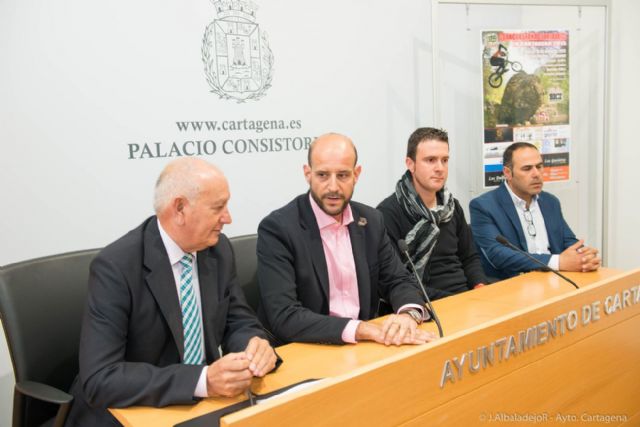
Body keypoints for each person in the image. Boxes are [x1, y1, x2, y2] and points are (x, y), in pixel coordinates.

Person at [66, 158, 278, 426]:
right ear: (179, 208)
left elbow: (238, 320)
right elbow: (101, 378)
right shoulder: (116, 267)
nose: (228, 218)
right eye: (218, 207)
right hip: (129, 411)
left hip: (203, 408)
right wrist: (203, 381)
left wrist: (253, 345)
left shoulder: (217, 250)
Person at [256, 133, 437, 346]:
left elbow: (397, 279)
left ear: (356, 174)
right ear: (308, 174)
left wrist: (408, 315)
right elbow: (284, 316)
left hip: (364, 346)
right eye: (323, 175)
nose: (333, 187)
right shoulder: (278, 228)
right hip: (306, 347)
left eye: (342, 175)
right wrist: (360, 329)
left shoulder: (371, 220)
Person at [377, 127, 486, 300]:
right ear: (410, 164)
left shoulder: (452, 206)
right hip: (426, 304)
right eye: (430, 160)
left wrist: (480, 286)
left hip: (466, 298)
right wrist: (456, 301)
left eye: (445, 160)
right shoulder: (387, 213)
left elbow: (469, 257)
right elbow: (396, 279)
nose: (440, 168)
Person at [469, 142, 601, 280]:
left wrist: (583, 256)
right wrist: (557, 262)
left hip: (554, 281)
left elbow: (567, 240)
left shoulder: (550, 202)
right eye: (527, 169)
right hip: (514, 285)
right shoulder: (484, 206)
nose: (536, 174)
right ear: (508, 173)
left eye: (539, 166)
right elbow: (497, 254)